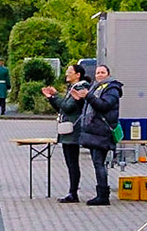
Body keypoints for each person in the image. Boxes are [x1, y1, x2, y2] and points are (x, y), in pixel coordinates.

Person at [77, 61, 121, 205]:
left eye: (103, 72)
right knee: (97, 163)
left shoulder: (112, 88)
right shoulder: (95, 88)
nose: (100, 75)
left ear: (108, 74)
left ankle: (103, 195)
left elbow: (104, 105)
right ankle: (102, 194)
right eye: (97, 73)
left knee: (99, 163)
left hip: (103, 131)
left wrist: (88, 96)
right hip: (94, 131)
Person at [44, 64, 88, 200]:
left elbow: (68, 107)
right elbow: (62, 108)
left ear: (77, 75)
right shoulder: (72, 88)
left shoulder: (80, 88)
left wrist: (54, 97)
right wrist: (53, 97)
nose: (66, 74)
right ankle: (72, 192)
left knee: (73, 162)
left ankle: (73, 193)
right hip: (68, 130)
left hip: (73, 130)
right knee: (70, 162)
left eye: (69, 72)